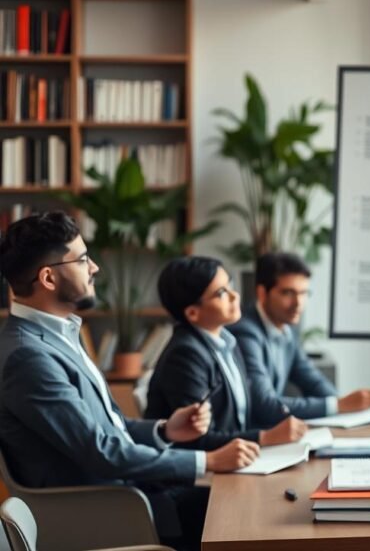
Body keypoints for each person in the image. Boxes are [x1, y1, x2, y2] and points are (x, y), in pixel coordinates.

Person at [0, 212, 259, 551]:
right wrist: (207, 461)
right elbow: (103, 452)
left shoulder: (58, 335)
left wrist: (166, 430)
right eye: (82, 260)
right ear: (48, 278)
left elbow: (111, 429)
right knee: (244, 519)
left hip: (132, 491)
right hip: (108, 509)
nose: (94, 268)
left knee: (245, 504)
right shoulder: (28, 357)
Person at [145, 256, 308, 451]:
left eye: (230, 286)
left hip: (234, 462)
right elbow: (197, 440)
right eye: (221, 293)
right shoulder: (185, 355)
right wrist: (265, 437)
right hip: (196, 475)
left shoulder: (227, 341)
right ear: (193, 313)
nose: (235, 296)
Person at [228, 252, 370, 419]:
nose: (298, 303)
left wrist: (346, 405)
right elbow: (264, 404)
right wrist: (339, 405)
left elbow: (310, 378)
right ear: (262, 293)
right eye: (288, 293)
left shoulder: (286, 326)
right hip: (253, 439)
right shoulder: (245, 333)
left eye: (303, 293)